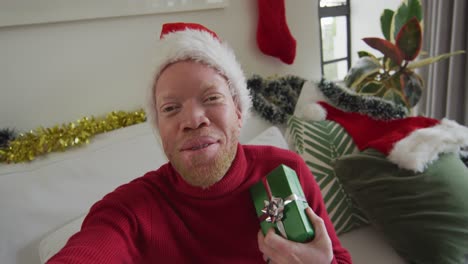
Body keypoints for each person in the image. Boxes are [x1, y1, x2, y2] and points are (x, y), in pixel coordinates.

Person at [47, 22, 351, 264]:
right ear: (159, 129)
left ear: (239, 111)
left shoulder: (285, 171)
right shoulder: (131, 211)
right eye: (170, 108)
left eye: (211, 98)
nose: (193, 120)